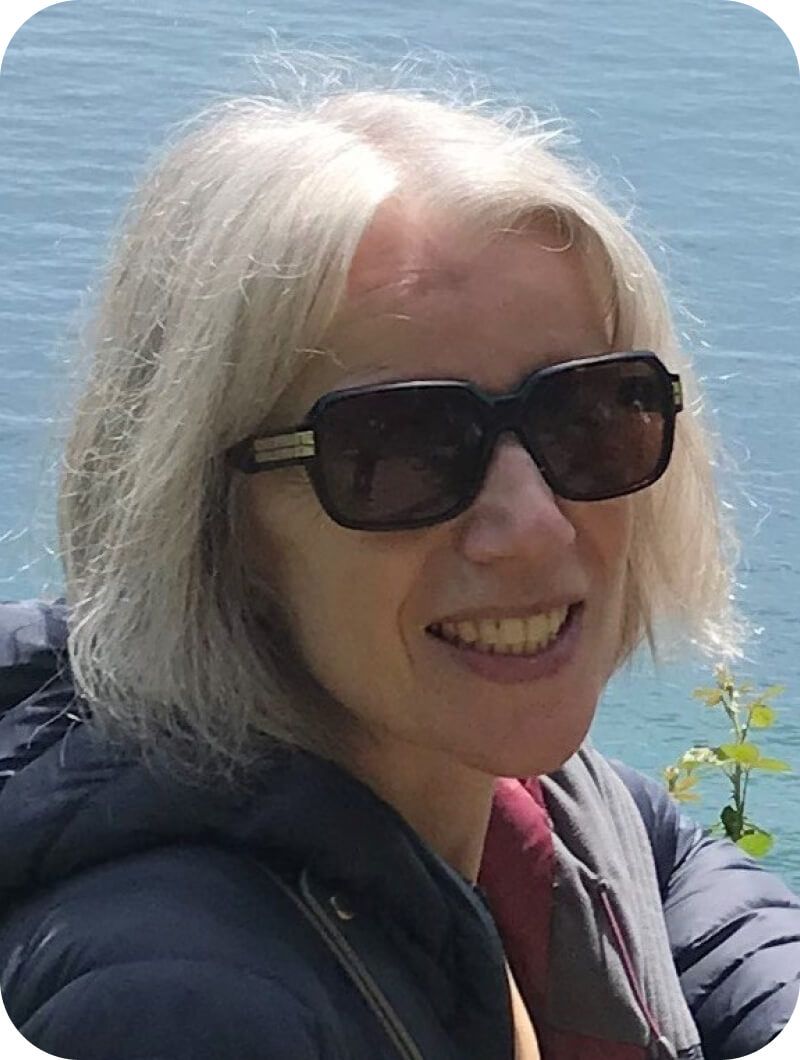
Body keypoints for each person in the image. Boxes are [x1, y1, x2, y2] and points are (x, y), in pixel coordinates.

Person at [0, 84, 798, 1060]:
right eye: (402, 447)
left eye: (589, 414)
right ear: (209, 520)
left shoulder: (554, 817)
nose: (533, 526)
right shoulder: (179, 1005)